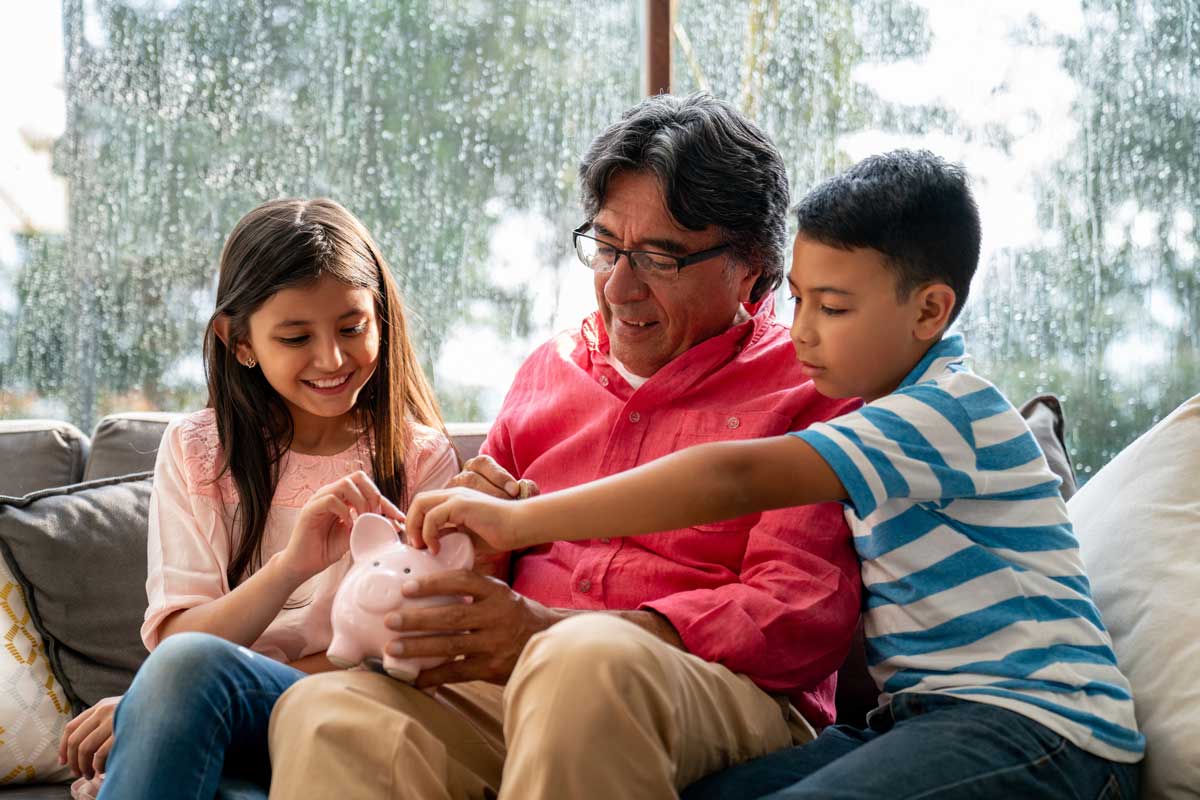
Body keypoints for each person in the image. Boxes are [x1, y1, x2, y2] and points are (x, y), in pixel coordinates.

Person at [407, 150, 1145, 799]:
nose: (802, 332)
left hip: (1045, 726)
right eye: (800, 300)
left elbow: (732, 478)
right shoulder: (879, 415)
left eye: (833, 307)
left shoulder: (948, 413)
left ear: (929, 310)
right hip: (920, 717)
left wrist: (524, 518)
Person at [266, 93, 862, 800]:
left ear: (754, 268)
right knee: (325, 711)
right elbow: (482, 566)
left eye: (660, 259)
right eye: (607, 247)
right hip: (524, 683)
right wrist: (460, 555)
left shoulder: (814, 385)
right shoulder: (549, 371)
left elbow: (798, 612)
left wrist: (547, 630)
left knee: (584, 661)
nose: (617, 285)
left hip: (724, 693)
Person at [58, 198, 458, 800]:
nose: (332, 358)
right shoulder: (198, 450)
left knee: (185, 688)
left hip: (354, 709)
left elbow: (409, 653)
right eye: (296, 336)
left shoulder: (420, 460)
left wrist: (172, 702)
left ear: (381, 317)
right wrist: (291, 567)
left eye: (353, 328)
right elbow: (178, 640)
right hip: (232, 712)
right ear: (239, 340)